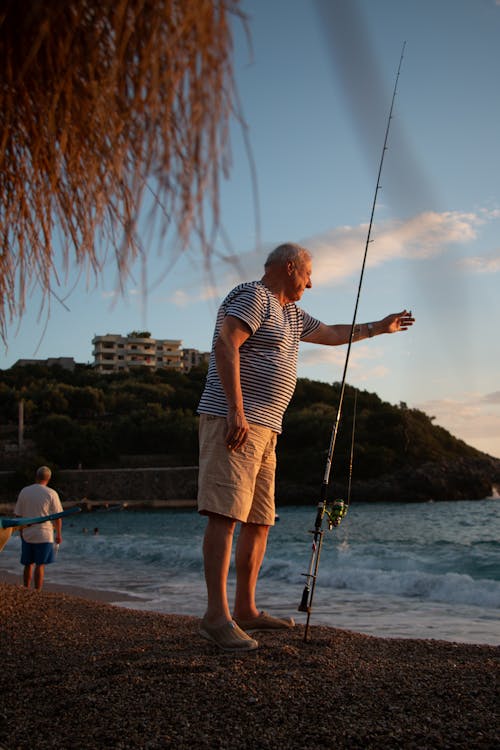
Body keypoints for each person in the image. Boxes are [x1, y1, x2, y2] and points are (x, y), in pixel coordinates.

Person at [197, 242, 415, 651]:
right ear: (290, 266)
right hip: (236, 421)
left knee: (259, 520)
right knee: (224, 514)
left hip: (267, 429)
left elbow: (332, 334)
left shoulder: (292, 314)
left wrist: (378, 327)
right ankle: (215, 617)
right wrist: (236, 410)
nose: (311, 284)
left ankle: (245, 610)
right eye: (308, 275)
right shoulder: (254, 296)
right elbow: (226, 343)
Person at [14, 466, 63, 590]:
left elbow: (17, 515)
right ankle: (37, 591)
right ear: (49, 478)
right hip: (44, 533)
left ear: (36, 476)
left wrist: (20, 531)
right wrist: (58, 534)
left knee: (28, 564)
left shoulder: (25, 491)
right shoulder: (51, 493)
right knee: (40, 565)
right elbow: (58, 517)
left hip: (27, 533)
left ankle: (26, 588)